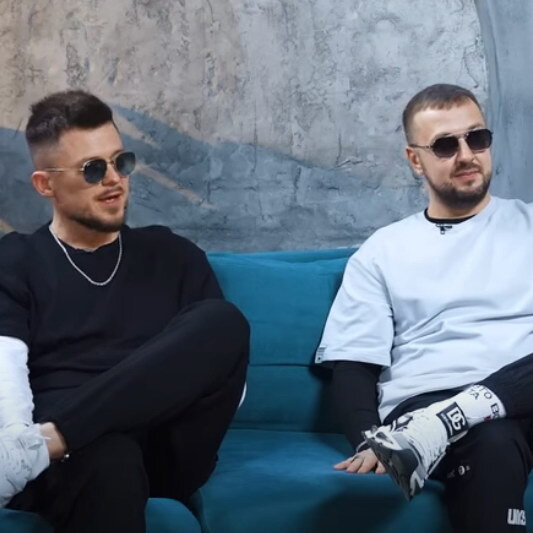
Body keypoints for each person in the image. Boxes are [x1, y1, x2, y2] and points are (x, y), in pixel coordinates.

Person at [0, 89, 249, 533]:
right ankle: (40, 449)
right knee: (108, 456)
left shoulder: (174, 255)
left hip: (166, 447)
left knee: (223, 321)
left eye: (121, 162)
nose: (114, 179)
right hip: (74, 463)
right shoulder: (16, 259)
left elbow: (227, 382)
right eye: (93, 169)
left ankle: (43, 444)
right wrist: (20, 441)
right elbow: (6, 375)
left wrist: (78, 424)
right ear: (45, 185)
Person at [317, 83, 533, 532]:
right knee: (493, 439)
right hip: (426, 403)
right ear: (415, 159)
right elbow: (353, 364)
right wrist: (372, 443)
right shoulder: (383, 251)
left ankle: (452, 417)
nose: (467, 155)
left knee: (494, 428)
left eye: (477, 138)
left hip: (523, 397)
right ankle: (441, 422)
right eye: (445, 145)